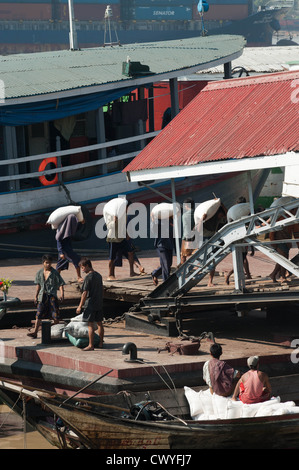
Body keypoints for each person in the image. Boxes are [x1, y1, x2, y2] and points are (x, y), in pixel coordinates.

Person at [28, 254, 65, 339]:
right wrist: (36, 296)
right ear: (43, 263)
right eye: (46, 263)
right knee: (38, 315)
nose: (48, 264)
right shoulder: (39, 272)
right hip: (42, 296)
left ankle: (44, 328)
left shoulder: (54, 273)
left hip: (52, 296)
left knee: (56, 317)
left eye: (50, 263)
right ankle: (35, 332)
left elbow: (60, 284)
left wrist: (62, 294)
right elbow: (38, 285)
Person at [76, 257, 104, 351]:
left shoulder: (88, 277)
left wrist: (80, 306)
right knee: (100, 323)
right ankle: (100, 343)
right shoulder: (99, 275)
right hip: (99, 302)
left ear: (87, 266)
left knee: (90, 324)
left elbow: (84, 293)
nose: (82, 270)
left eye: (83, 268)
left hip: (91, 303)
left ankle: (91, 345)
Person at [56, 213, 84, 282]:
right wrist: (61, 252)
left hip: (68, 248)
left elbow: (76, 228)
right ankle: (79, 277)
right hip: (64, 250)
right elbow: (58, 240)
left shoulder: (70, 228)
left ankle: (56, 280)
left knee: (60, 264)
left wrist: (81, 223)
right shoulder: (62, 229)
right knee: (76, 259)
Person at [151, 216, 174, 286]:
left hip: (169, 245)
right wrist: (153, 220)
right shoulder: (158, 221)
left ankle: (155, 273)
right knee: (166, 264)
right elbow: (154, 230)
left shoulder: (171, 220)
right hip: (161, 245)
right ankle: (166, 284)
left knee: (169, 264)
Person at [180, 198, 195, 265]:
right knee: (196, 255)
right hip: (196, 237)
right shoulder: (196, 213)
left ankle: (183, 272)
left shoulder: (185, 215)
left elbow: (185, 227)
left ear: (187, 205)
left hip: (186, 238)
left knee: (183, 255)